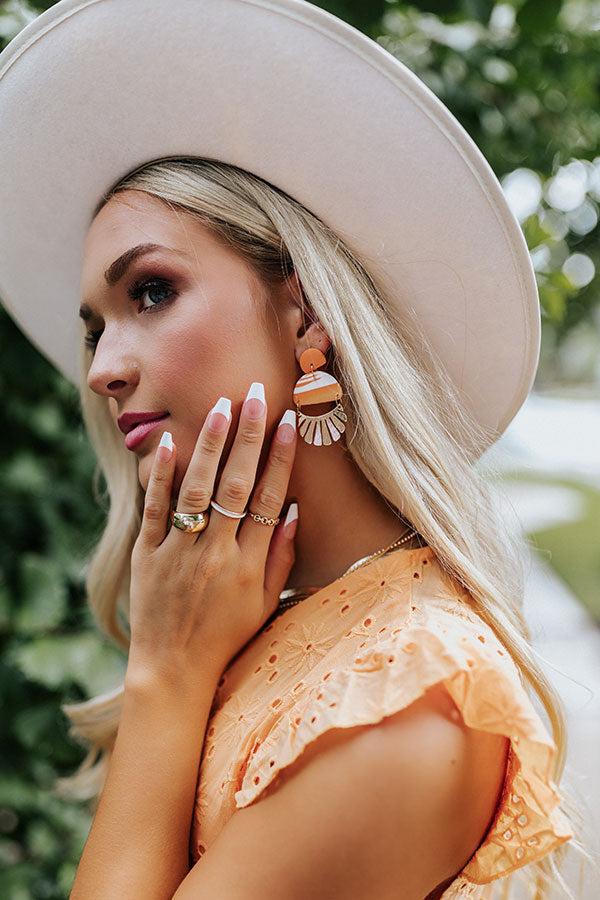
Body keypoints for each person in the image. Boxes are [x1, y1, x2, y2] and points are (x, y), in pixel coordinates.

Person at [0, 1, 593, 898]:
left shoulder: (412, 694)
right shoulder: (258, 614)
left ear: (306, 309)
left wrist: (164, 675)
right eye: (95, 330)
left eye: (152, 291)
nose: (103, 371)